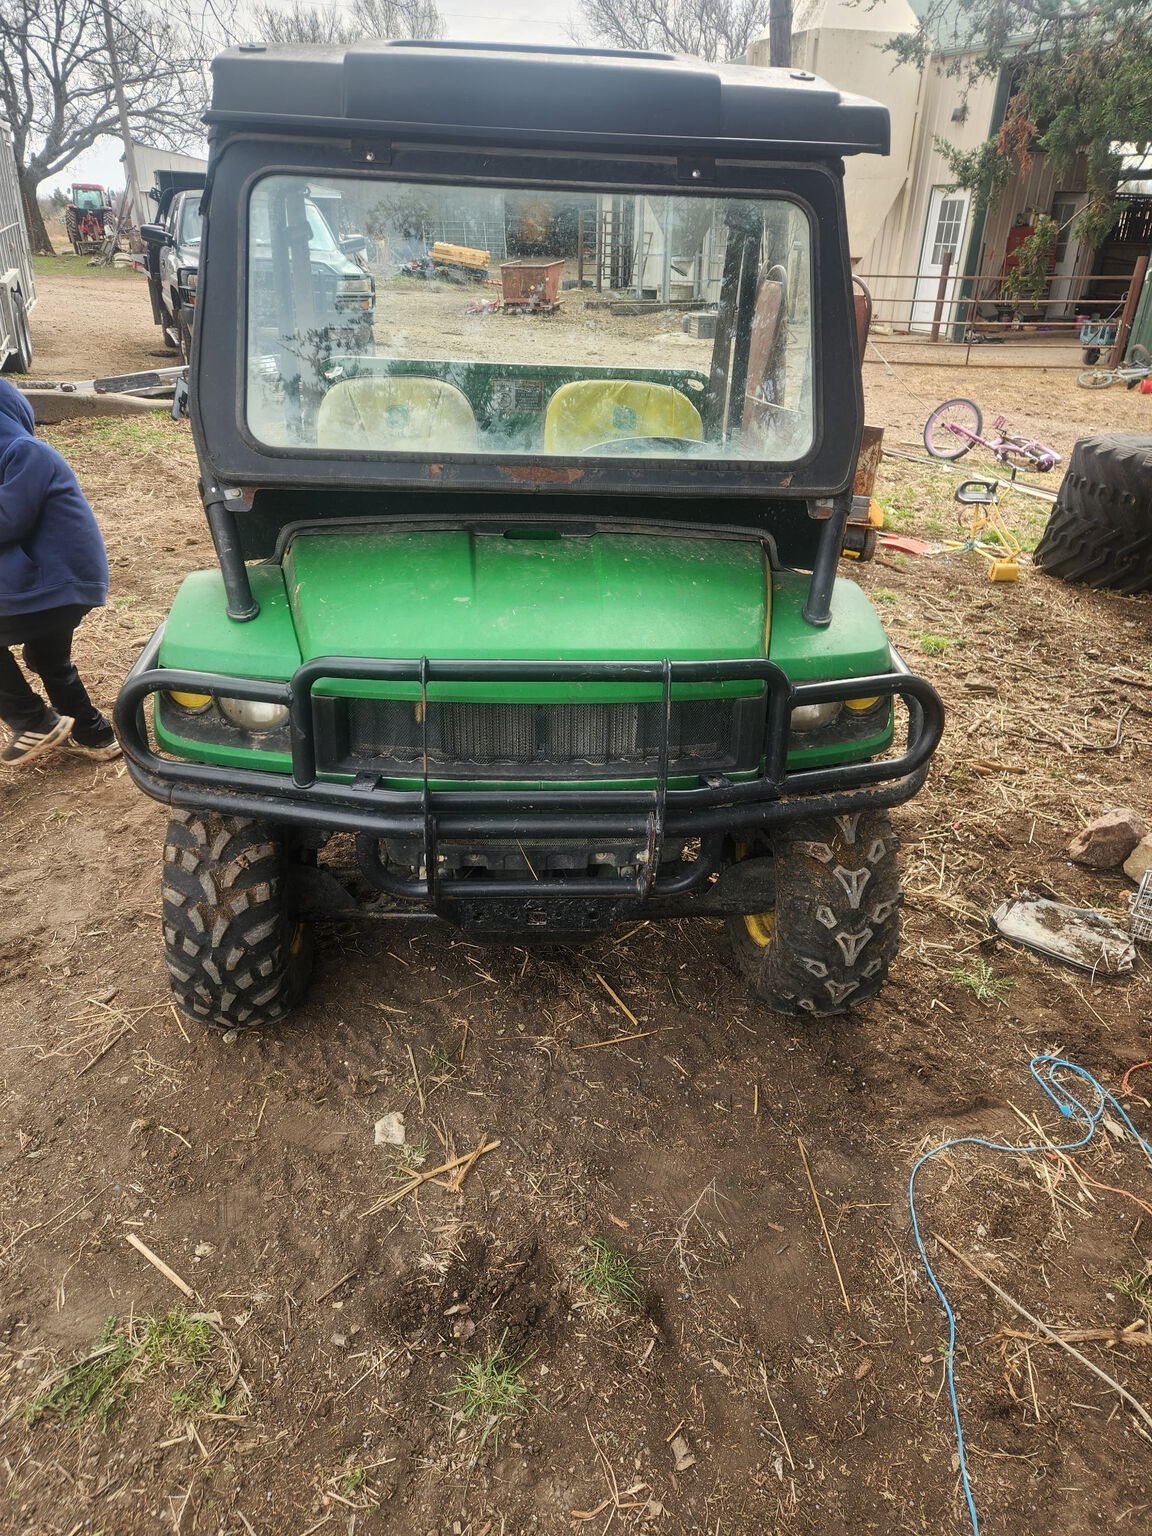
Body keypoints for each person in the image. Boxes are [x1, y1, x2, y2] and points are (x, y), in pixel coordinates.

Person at [0, 378, 121, 765]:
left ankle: (33, 721)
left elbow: (7, 521)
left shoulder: (26, 452)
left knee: (47, 653)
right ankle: (95, 735)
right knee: (48, 658)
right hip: (51, 581)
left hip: (58, 583)